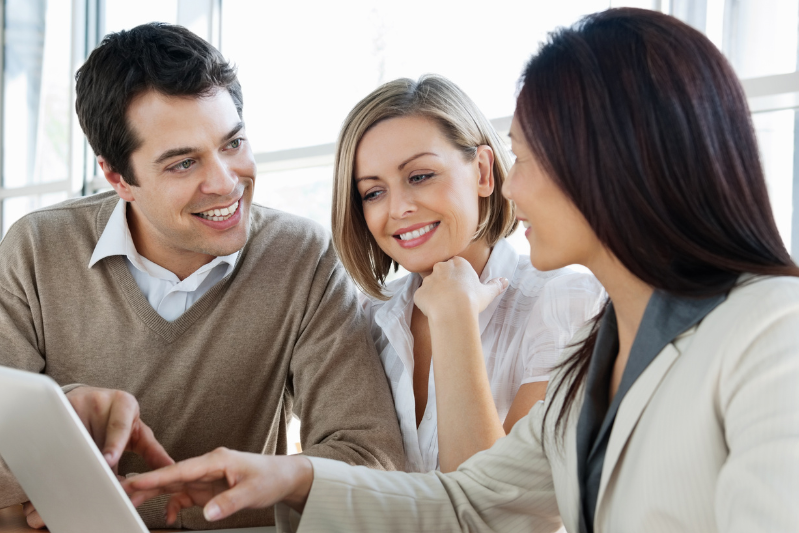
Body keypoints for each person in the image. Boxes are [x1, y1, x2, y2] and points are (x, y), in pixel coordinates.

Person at [123, 8, 799, 532]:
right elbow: (470, 498)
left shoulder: (773, 332)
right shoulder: (598, 358)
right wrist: (285, 477)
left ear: (616, 159)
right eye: (372, 189)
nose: (512, 188)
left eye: (524, 159)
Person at [0, 22, 404, 530]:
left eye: (232, 143)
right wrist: (64, 415)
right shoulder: (37, 249)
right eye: (184, 163)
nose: (225, 182)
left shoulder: (302, 257)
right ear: (117, 177)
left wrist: (261, 480)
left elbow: (372, 458)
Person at [331, 75, 603, 473]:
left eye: (420, 176)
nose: (398, 208)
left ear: (482, 172)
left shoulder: (568, 303)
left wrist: (455, 318)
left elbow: (498, 508)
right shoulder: (366, 322)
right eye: (373, 192)